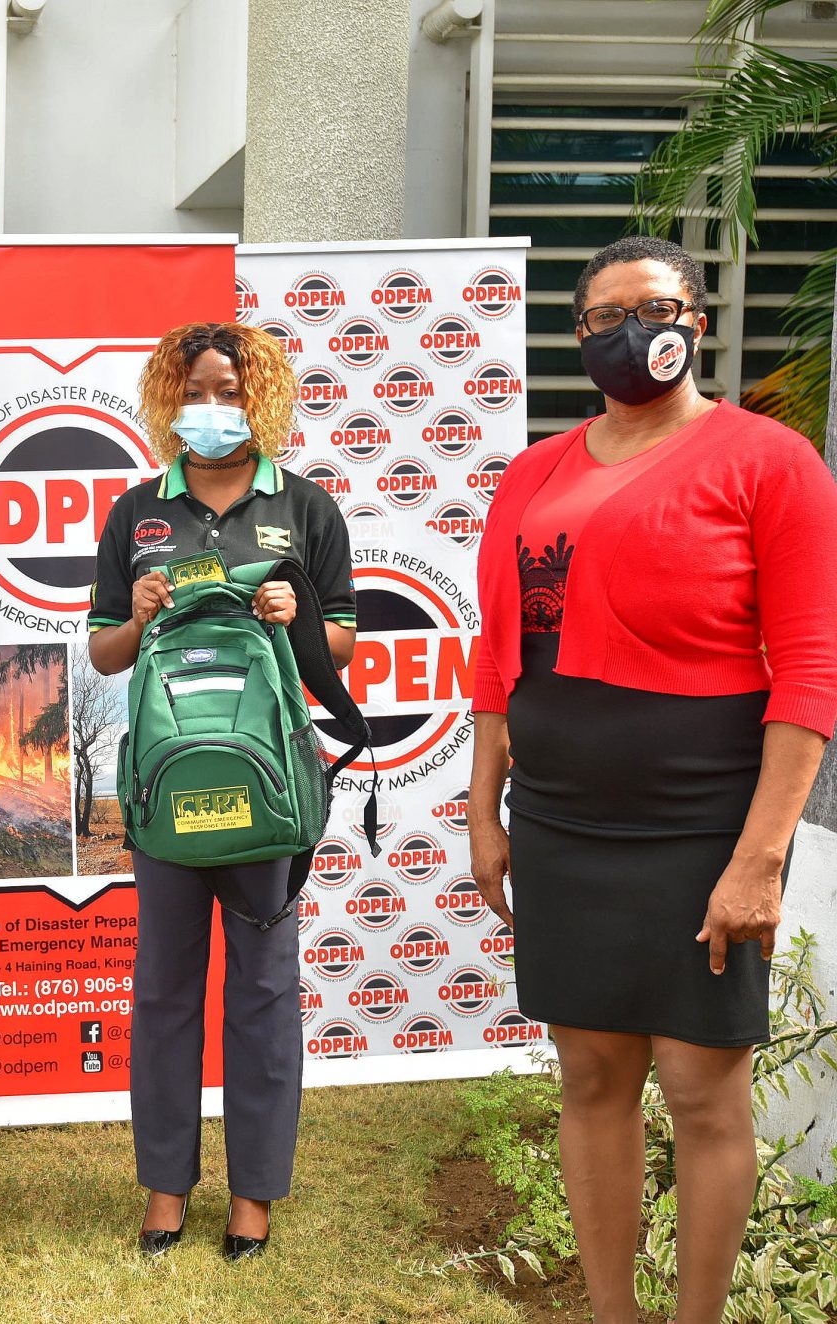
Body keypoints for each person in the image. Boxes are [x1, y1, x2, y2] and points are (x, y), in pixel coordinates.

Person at [468, 235, 837, 1324]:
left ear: (696, 320)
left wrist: (756, 858)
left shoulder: (769, 461)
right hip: (560, 820)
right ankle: (612, 1315)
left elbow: (810, 668)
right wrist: (482, 811)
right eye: (604, 316)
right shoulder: (532, 473)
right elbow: (498, 655)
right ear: (579, 336)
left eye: (656, 306)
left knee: (698, 1084)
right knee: (587, 1074)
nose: (634, 330)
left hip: (700, 820)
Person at [87, 321, 359, 1262]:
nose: (214, 409)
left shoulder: (308, 508)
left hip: (269, 789)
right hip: (167, 788)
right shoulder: (136, 512)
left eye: (232, 392)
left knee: (263, 992)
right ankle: (166, 1191)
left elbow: (342, 652)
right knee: (163, 991)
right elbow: (103, 651)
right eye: (198, 390)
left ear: (264, 398)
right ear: (172, 398)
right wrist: (141, 610)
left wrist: (296, 616)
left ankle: (254, 1199)